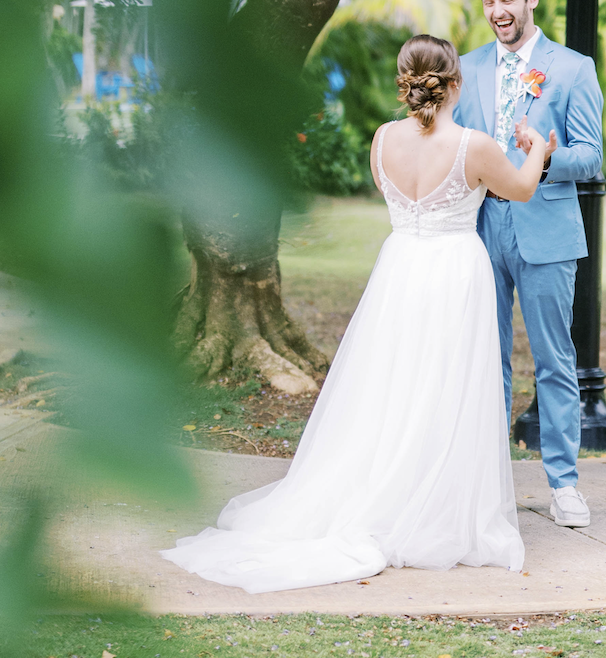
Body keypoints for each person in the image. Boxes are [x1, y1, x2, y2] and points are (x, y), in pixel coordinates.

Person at [160, 35, 550, 594]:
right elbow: (522, 189)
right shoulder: (476, 145)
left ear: (405, 82)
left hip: (400, 268)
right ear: (454, 83)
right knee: (445, 387)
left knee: (390, 386)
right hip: (454, 272)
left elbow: (403, 199)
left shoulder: (382, 140)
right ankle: (431, 506)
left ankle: (383, 490)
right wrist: (536, 146)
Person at [452, 0, 604, 528]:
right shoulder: (466, 69)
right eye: (489, 3)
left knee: (554, 360)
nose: (498, 13)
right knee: (483, 360)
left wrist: (543, 156)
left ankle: (564, 484)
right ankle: (486, 481)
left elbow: (591, 156)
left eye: (507, 1)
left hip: (546, 229)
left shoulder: (572, 68)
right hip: (479, 230)